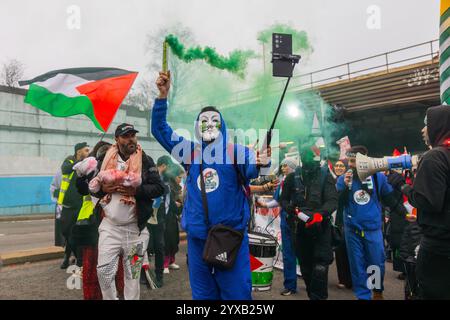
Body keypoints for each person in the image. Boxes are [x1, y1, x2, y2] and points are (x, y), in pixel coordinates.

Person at [151, 71, 269, 300]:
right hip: (198, 240)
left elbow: (253, 170)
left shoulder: (236, 152)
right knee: (203, 296)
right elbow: (160, 130)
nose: (209, 124)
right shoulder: (190, 152)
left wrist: (262, 162)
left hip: (229, 238)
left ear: (222, 125)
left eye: (215, 120)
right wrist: (162, 97)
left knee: (236, 296)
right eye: (204, 121)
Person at [92, 123, 164, 300]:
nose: (131, 138)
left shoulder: (145, 160)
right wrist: (104, 189)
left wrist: (137, 191)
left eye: (133, 135)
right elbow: (91, 188)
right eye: (126, 135)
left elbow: (159, 188)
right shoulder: (104, 159)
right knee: (104, 273)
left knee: (132, 277)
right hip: (110, 228)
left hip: (135, 232)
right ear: (117, 139)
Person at [399, 105, 450, 299]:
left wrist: (403, 186)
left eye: (426, 124)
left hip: (439, 248)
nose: (423, 130)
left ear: (438, 125)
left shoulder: (435, 156)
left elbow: (427, 201)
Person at [336, 145, 398, 300]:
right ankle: (363, 296)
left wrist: (404, 212)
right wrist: (345, 185)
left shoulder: (378, 177)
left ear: (364, 161)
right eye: (348, 161)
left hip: (373, 230)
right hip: (352, 230)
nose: (350, 165)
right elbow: (339, 202)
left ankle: (377, 291)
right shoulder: (343, 179)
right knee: (357, 266)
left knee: (375, 264)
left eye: (353, 161)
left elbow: (390, 198)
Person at [279, 143, 338, 300]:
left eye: (312, 157)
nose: (309, 161)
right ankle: (313, 296)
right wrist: (291, 209)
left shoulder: (326, 176)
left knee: (320, 267)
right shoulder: (293, 177)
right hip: (300, 230)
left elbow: (332, 200)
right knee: (306, 268)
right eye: (306, 157)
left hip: (321, 229)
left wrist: (320, 215)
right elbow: (283, 199)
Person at [257, 157, 298, 296]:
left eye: (286, 165)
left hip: (298, 222)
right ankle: (290, 285)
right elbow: (277, 200)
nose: (284, 168)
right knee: (288, 255)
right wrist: (265, 205)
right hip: (285, 221)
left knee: (303, 254)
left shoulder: (299, 180)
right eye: (282, 166)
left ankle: (311, 283)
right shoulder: (281, 182)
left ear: (293, 167)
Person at [58, 142, 90, 269]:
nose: (88, 152)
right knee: (66, 232)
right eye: (86, 150)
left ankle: (75, 259)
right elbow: (65, 169)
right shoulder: (69, 160)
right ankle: (71, 256)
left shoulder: (88, 164)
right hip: (67, 206)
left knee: (76, 233)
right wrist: (79, 165)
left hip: (81, 206)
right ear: (78, 151)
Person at [333, 159, 352, 290]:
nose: (339, 167)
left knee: (348, 251)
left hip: (345, 218)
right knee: (339, 250)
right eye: (337, 165)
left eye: (341, 166)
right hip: (335, 220)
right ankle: (343, 279)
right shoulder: (331, 180)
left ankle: (350, 279)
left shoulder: (349, 181)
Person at [163, 164, 185, 273]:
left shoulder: (177, 188)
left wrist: (179, 204)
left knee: (174, 240)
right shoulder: (167, 186)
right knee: (167, 240)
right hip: (166, 217)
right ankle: (165, 264)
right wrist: (176, 204)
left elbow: (179, 203)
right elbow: (169, 203)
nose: (180, 180)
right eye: (179, 177)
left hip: (173, 217)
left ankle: (171, 261)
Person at [49, 167, 64, 247]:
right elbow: (54, 188)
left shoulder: (60, 170)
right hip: (62, 205)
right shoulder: (61, 171)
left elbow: (53, 187)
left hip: (61, 205)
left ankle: (67, 253)